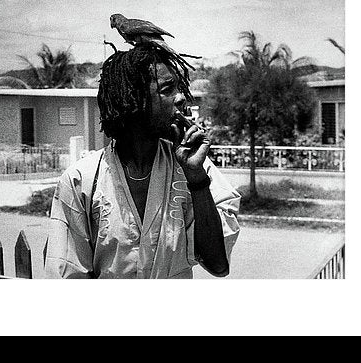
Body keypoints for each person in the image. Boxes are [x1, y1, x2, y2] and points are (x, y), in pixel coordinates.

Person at [44, 44, 240, 278]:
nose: (181, 98)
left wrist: (197, 180)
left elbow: (218, 264)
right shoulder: (82, 180)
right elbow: (67, 277)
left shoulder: (194, 167)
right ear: (134, 99)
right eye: (168, 89)